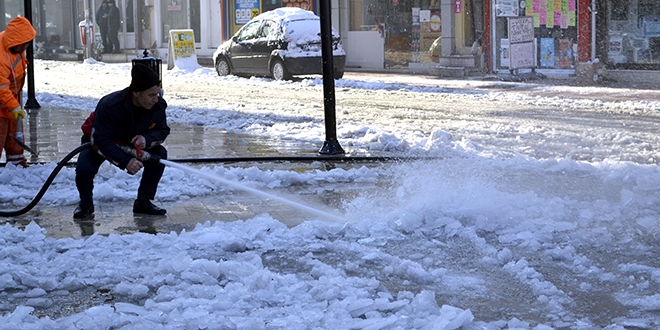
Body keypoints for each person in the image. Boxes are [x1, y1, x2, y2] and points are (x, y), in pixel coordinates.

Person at [74, 64, 170, 219]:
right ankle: (85, 205)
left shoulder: (157, 106)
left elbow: (162, 130)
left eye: (157, 94)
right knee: (84, 169)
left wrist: (146, 139)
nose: (155, 99)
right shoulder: (110, 105)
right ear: (136, 93)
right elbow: (100, 139)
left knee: (159, 155)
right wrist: (126, 161)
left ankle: (143, 202)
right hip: (99, 141)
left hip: (130, 142)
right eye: (151, 95)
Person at [0, 17, 36, 168]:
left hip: (12, 94)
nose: (25, 47)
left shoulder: (15, 44)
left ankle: (16, 161)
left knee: (15, 130)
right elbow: (1, 87)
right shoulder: (1, 57)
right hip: (4, 94)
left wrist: (15, 105)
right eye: (24, 44)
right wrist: (14, 106)